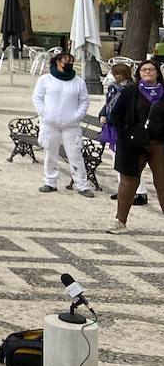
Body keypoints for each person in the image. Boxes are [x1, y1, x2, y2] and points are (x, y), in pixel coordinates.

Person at [106, 60, 164, 233]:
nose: (147, 72)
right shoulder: (130, 92)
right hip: (133, 145)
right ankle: (120, 221)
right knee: (128, 182)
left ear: (157, 72)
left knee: (162, 184)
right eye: (144, 70)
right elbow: (116, 116)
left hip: (159, 144)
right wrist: (126, 134)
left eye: (151, 69)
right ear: (138, 73)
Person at [31, 50, 92, 197]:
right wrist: (44, 113)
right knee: (50, 153)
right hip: (49, 123)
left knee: (75, 154)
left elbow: (84, 101)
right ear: (57, 62)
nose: (70, 64)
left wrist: (77, 116)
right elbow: (37, 98)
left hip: (71, 125)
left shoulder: (78, 81)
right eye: (66, 61)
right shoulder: (45, 80)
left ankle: (82, 185)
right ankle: (50, 182)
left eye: (72, 61)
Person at [100, 62, 149, 207]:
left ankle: (139, 192)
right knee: (118, 160)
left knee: (129, 161)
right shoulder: (114, 88)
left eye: (113, 74)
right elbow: (108, 104)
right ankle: (124, 189)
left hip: (124, 129)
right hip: (112, 126)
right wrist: (103, 114)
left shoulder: (131, 90)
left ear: (120, 75)